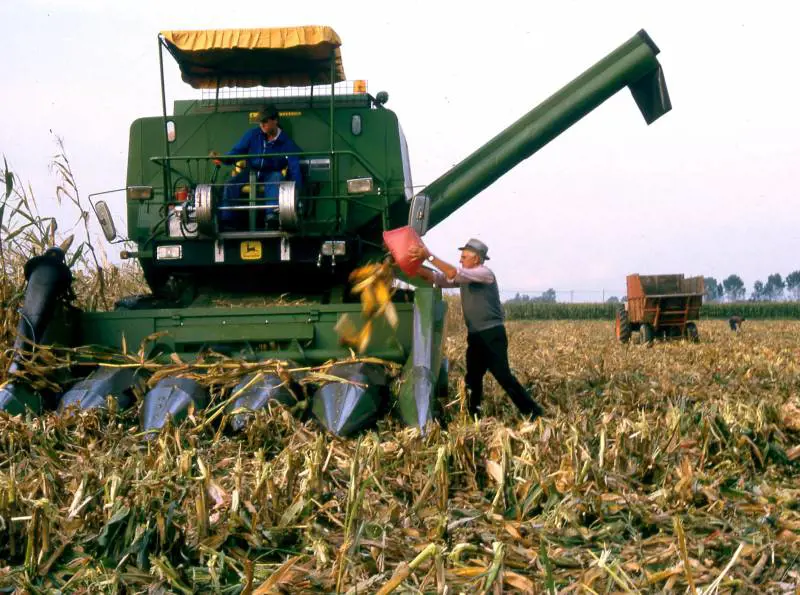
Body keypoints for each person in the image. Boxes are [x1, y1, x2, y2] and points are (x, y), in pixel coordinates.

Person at [408, 238, 544, 420]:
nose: (460, 260)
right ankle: (474, 414)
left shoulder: (484, 273)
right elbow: (436, 278)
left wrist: (428, 256)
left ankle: (533, 412)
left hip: (491, 334)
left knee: (503, 376)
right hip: (476, 336)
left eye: (464, 257)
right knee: (473, 377)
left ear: (477, 259)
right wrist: (408, 265)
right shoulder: (465, 278)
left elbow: (452, 272)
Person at [210, 105, 302, 228]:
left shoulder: (286, 142)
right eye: (260, 122)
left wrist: (297, 190)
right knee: (230, 184)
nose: (261, 125)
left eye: (264, 121)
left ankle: (271, 217)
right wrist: (223, 159)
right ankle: (227, 220)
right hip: (250, 171)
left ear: (275, 120)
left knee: (276, 178)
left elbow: (294, 166)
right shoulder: (253, 135)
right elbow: (236, 152)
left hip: (271, 173)